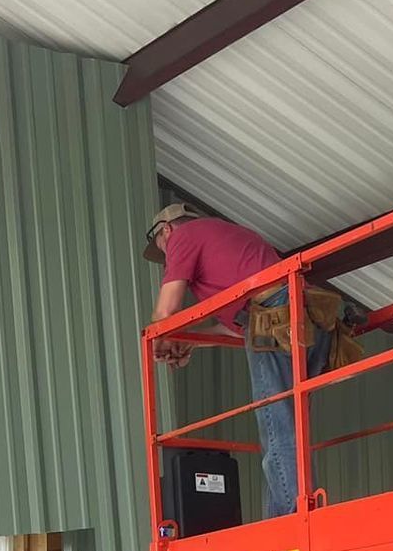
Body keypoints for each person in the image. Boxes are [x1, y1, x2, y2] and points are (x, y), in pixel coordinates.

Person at [143, 203, 358, 519]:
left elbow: (165, 312)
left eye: (162, 249)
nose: (167, 258)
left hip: (273, 314)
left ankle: (291, 515)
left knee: (276, 422)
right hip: (303, 314)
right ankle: (283, 513)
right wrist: (190, 343)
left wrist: (159, 345)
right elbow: (238, 329)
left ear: (166, 230)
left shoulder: (183, 236)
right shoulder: (229, 240)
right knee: (286, 422)